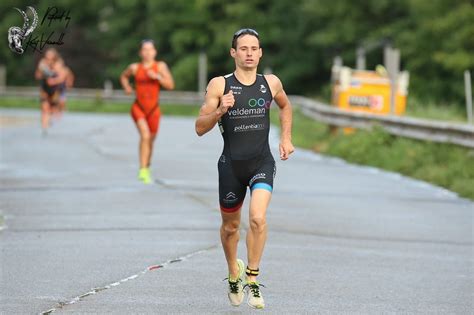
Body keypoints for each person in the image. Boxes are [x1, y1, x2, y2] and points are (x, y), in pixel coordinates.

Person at [195, 28, 294, 309]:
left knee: (258, 219)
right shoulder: (219, 85)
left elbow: (286, 107)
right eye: (243, 49)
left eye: (254, 48)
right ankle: (233, 273)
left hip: (261, 161)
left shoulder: (271, 83)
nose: (249, 53)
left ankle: (252, 277)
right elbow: (199, 128)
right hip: (231, 167)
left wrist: (286, 137)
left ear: (260, 53)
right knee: (230, 227)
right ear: (233, 53)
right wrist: (219, 111)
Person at [120, 40, 175, 184]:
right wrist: (126, 87)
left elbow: (170, 85)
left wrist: (157, 77)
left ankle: (147, 165)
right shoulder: (134, 67)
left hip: (154, 110)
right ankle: (143, 169)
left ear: (155, 52)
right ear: (140, 52)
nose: (148, 52)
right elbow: (123, 76)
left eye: (150, 49)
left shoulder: (160, 66)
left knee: (150, 140)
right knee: (144, 135)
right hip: (138, 107)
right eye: (145, 49)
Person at [35, 48, 68, 135]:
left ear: (55, 57)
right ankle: (44, 127)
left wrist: (54, 81)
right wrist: (41, 72)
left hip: (55, 90)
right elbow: (37, 75)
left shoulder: (58, 64)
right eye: (47, 57)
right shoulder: (42, 63)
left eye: (51, 58)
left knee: (51, 108)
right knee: (44, 107)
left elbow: (62, 77)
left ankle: (49, 118)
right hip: (45, 88)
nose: (48, 59)